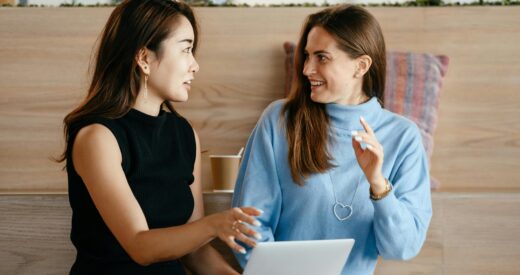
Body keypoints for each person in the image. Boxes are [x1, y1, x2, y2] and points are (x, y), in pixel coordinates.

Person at [57, 0, 261, 274]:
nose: (195, 65)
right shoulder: (98, 138)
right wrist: (214, 225)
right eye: (186, 49)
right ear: (144, 58)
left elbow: (195, 252)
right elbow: (140, 246)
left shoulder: (184, 134)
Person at [232, 5, 432, 275]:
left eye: (322, 58)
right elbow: (247, 227)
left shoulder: (404, 137)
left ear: (361, 66)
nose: (306, 69)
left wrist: (377, 183)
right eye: (306, 56)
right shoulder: (279, 120)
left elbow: (402, 247)